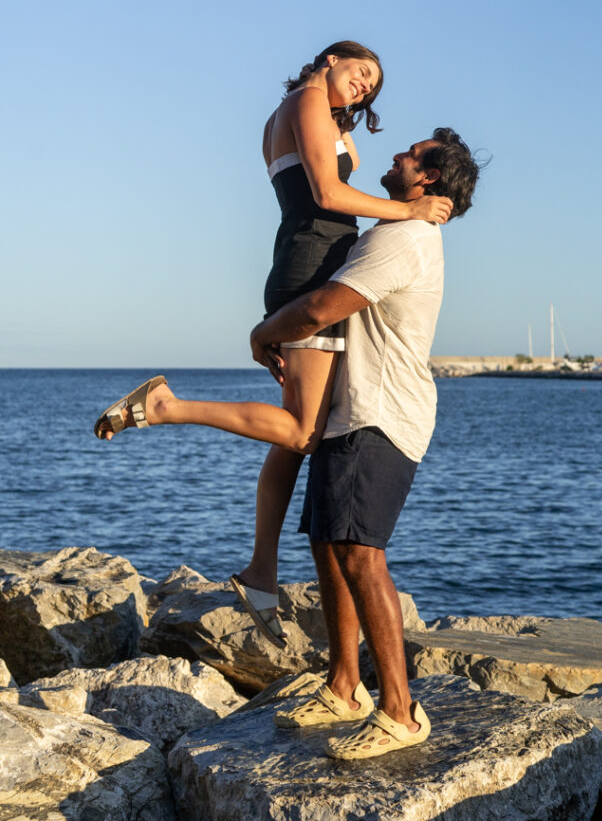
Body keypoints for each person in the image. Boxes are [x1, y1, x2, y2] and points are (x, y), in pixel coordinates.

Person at [94, 41, 452, 647]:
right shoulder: (308, 100)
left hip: (308, 260)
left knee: (296, 436)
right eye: (360, 72)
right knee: (302, 432)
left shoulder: (304, 108)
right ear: (330, 59)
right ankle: (165, 406)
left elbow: (328, 178)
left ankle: (262, 572)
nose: (365, 88)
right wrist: (407, 211)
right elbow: (329, 195)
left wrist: (348, 132)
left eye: (372, 88)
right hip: (311, 268)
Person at [248, 127, 480, 758]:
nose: (399, 155)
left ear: (428, 178)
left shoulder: (406, 239)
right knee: (327, 542)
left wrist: (265, 330)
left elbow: (324, 306)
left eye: (411, 154)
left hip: (381, 413)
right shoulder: (393, 227)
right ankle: (345, 686)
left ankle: (401, 712)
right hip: (351, 411)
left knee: (359, 551)